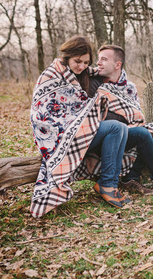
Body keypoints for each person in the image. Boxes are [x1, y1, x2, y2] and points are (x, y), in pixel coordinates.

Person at [29, 36, 129, 218]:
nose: (81, 66)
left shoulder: (83, 75)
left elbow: (101, 81)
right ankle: (107, 184)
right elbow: (41, 115)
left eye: (85, 62)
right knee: (115, 127)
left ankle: (109, 185)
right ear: (67, 56)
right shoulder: (51, 76)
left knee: (120, 128)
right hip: (59, 140)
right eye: (77, 61)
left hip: (79, 133)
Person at [88, 44, 153, 195]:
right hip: (107, 139)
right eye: (98, 59)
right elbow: (94, 120)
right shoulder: (96, 86)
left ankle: (130, 178)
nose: (98, 63)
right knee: (141, 133)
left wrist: (131, 127)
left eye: (104, 59)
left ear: (117, 64)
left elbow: (136, 115)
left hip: (128, 133)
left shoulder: (129, 87)